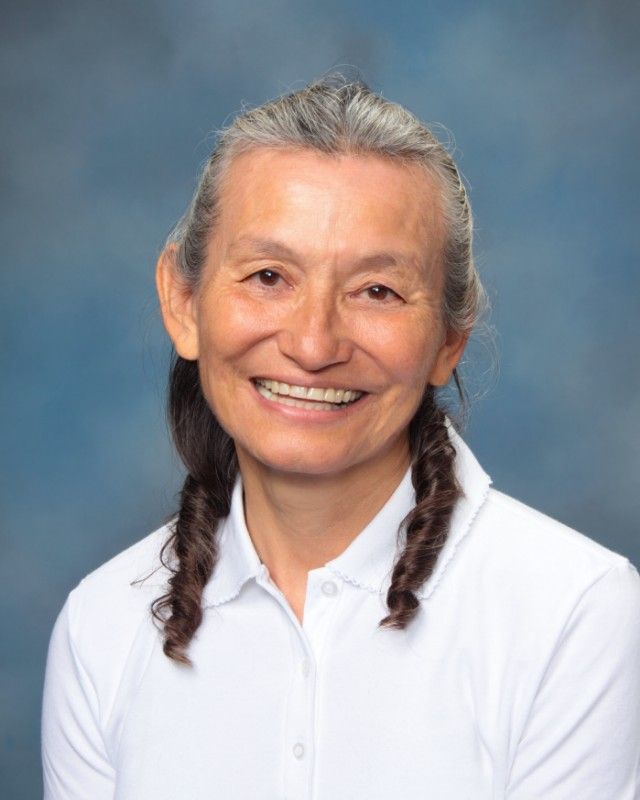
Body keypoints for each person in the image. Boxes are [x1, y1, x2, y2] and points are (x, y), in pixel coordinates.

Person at [41, 77, 640, 799]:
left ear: (450, 337)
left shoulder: (575, 611)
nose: (314, 342)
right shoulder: (102, 625)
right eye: (269, 276)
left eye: (377, 291)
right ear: (184, 301)